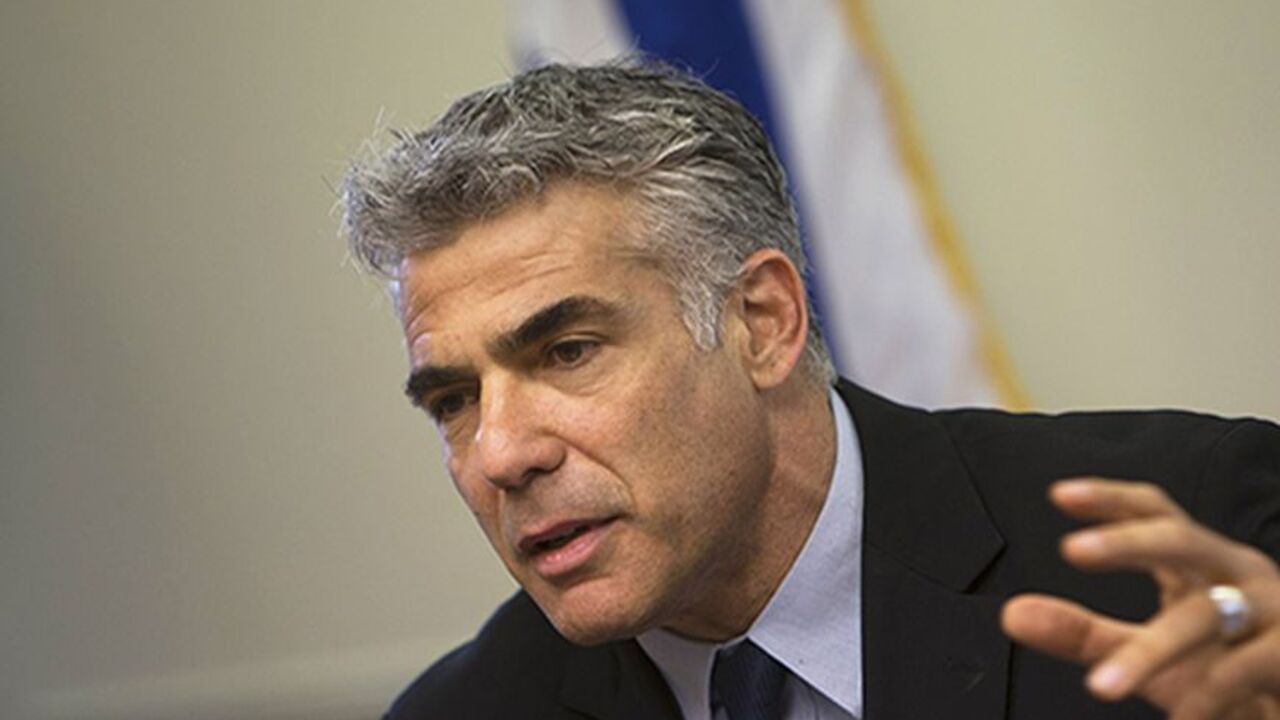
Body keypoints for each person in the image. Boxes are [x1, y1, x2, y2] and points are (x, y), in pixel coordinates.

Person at [341, 61, 1280, 720]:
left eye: (568, 351)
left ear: (763, 322)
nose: (501, 452)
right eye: (454, 400)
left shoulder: (1192, 535)